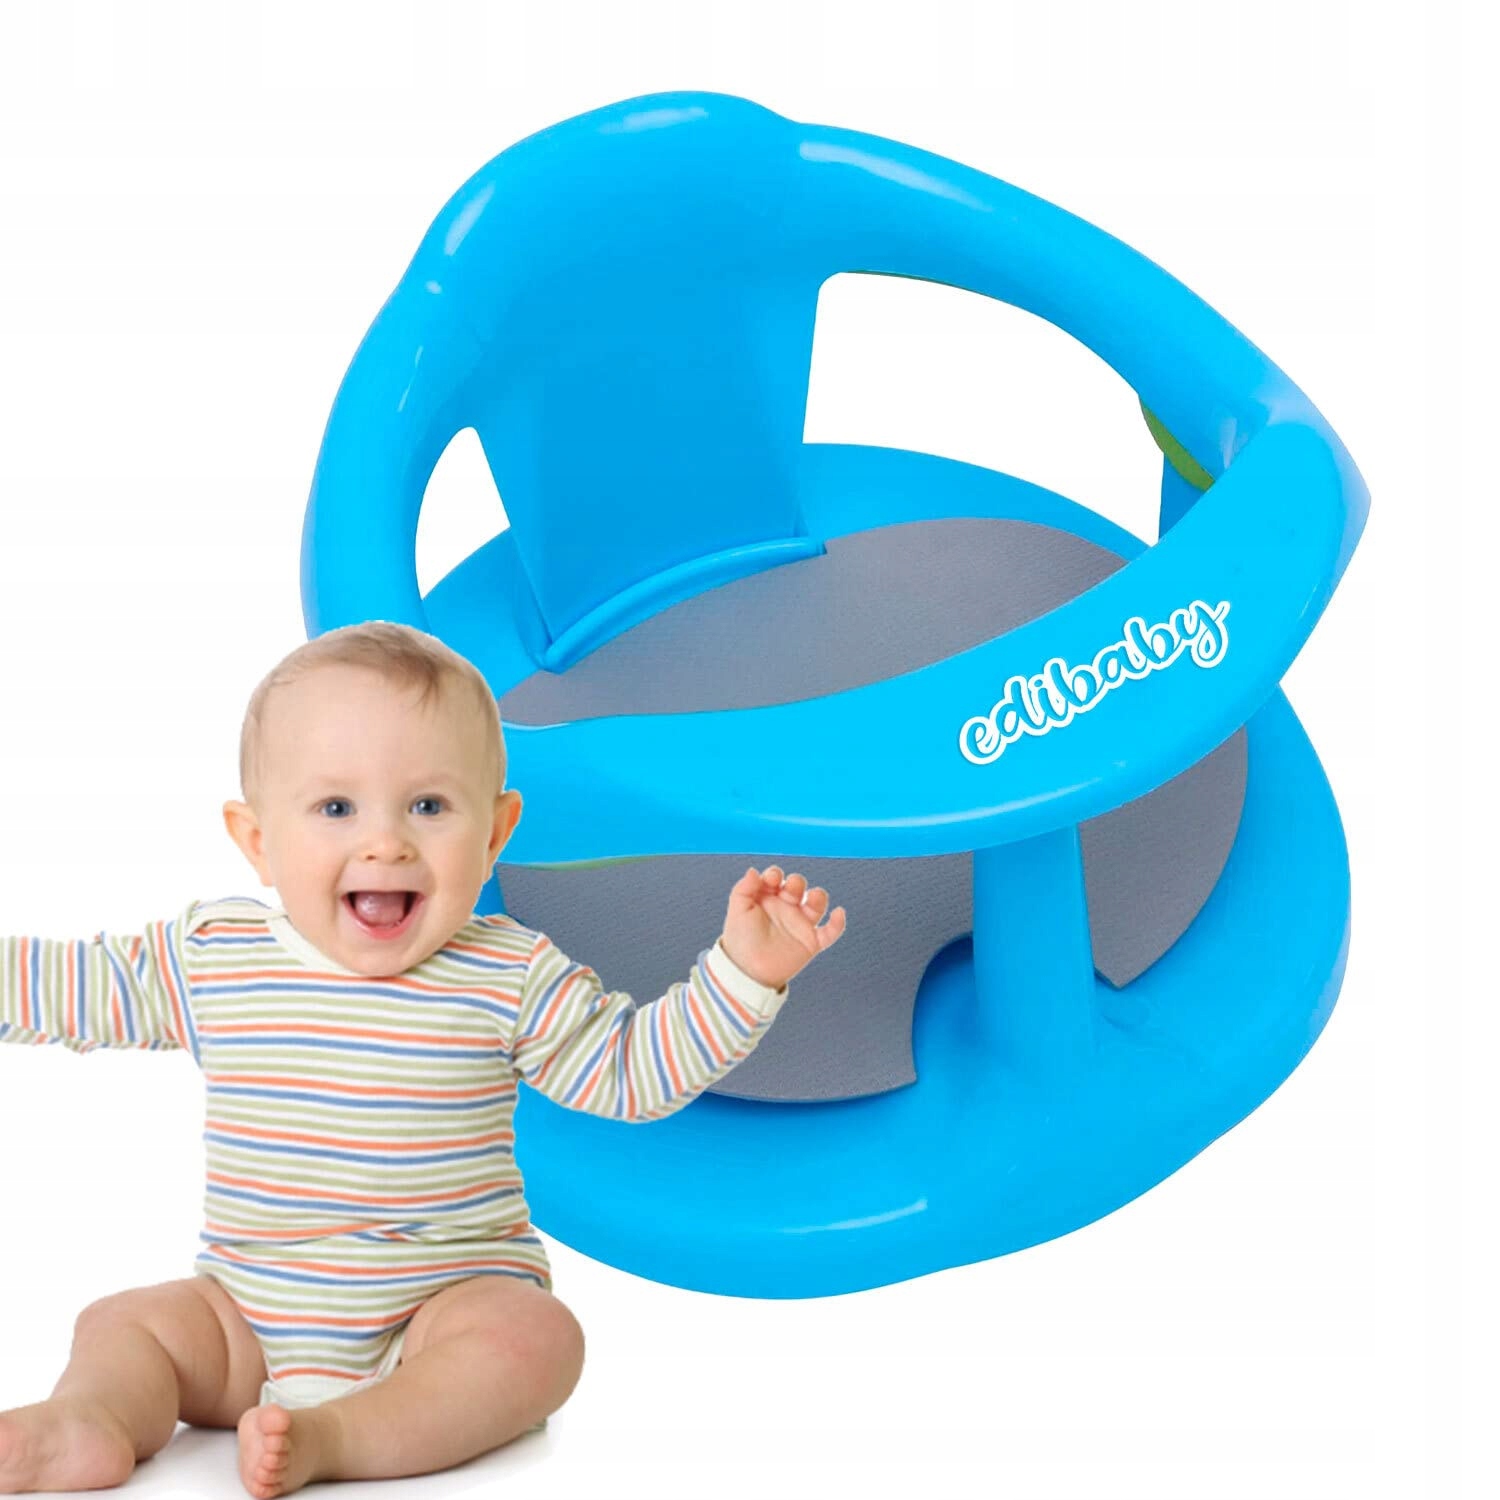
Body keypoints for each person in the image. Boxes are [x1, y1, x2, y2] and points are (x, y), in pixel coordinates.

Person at [0, 620, 845, 1498]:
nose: (387, 843)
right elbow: (76, 987)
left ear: (495, 832)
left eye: (430, 807)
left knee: (537, 1341)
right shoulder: (215, 958)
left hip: (440, 1312)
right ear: (257, 842)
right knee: (126, 1325)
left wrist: (742, 974)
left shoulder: (509, 972)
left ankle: (338, 1437)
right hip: (244, 1320)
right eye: (336, 808)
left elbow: (632, 1073)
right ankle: (88, 1420)